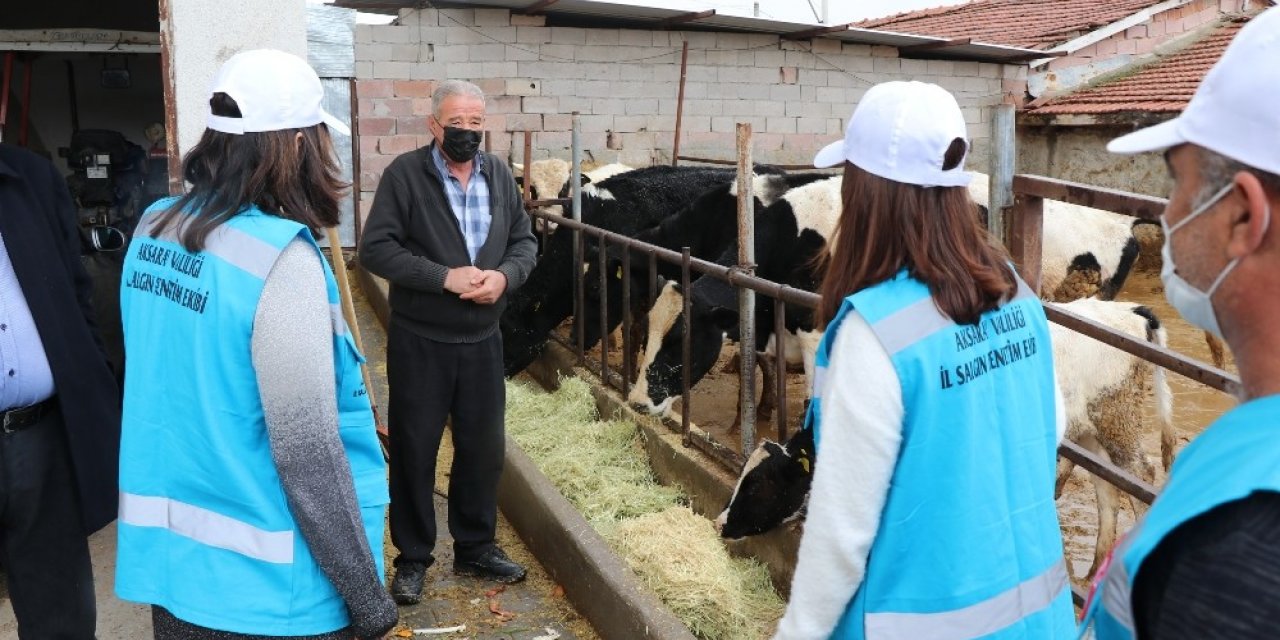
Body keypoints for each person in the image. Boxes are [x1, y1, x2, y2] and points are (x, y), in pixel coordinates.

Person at [773, 81, 1073, 639]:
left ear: (865, 194)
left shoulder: (875, 332)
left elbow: (842, 534)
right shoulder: (1015, 293)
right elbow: (1048, 426)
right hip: (1041, 621)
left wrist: (796, 633)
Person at [114, 49, 397, 639]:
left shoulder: (154, 227)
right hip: (273, 598)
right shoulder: (280, 260)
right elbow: (307, 454)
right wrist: (368, 601)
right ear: (296, 145)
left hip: (174, 577)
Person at [1082, 8, 1280, 638]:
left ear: (1244, 217)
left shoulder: (1231, 553)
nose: (1168, 213)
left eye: (1180, 184)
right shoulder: (1246, 447)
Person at [359, 79, 537, 604]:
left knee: (483, 449)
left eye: (475, 123)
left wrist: (504, 276)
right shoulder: (405, 177)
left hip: (483, 338)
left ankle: (475, 546)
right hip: (421, 340)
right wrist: (444, 277)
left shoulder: (499, 174)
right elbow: (376, 250)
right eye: (456, 123)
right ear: (434, 124)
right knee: (415, 447)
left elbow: (525, 242)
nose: (466, 132)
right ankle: (413, 556)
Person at [0, 143, 121, 638]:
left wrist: (93, 391)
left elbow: (77, 294)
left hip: (40, 439)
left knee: (61, 620)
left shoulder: (28, 179)